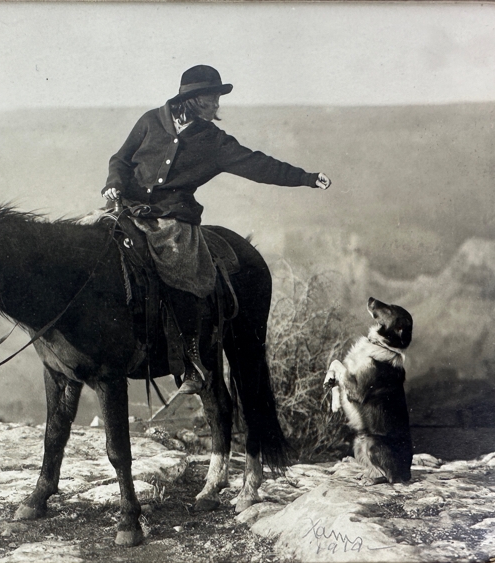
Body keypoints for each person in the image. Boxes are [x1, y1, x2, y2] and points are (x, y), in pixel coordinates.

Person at [102, 65, 331, 394]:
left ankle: (192, 359)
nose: (217, 107)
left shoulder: (212, 140)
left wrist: (306, 178)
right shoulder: (150, 121)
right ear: (193, 100)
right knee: (93, 245)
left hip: (174, 219)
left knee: (180, 266)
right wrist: (113, 184)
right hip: (126, 208)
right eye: (213, 100)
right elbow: (120, 159)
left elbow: (257, 164)